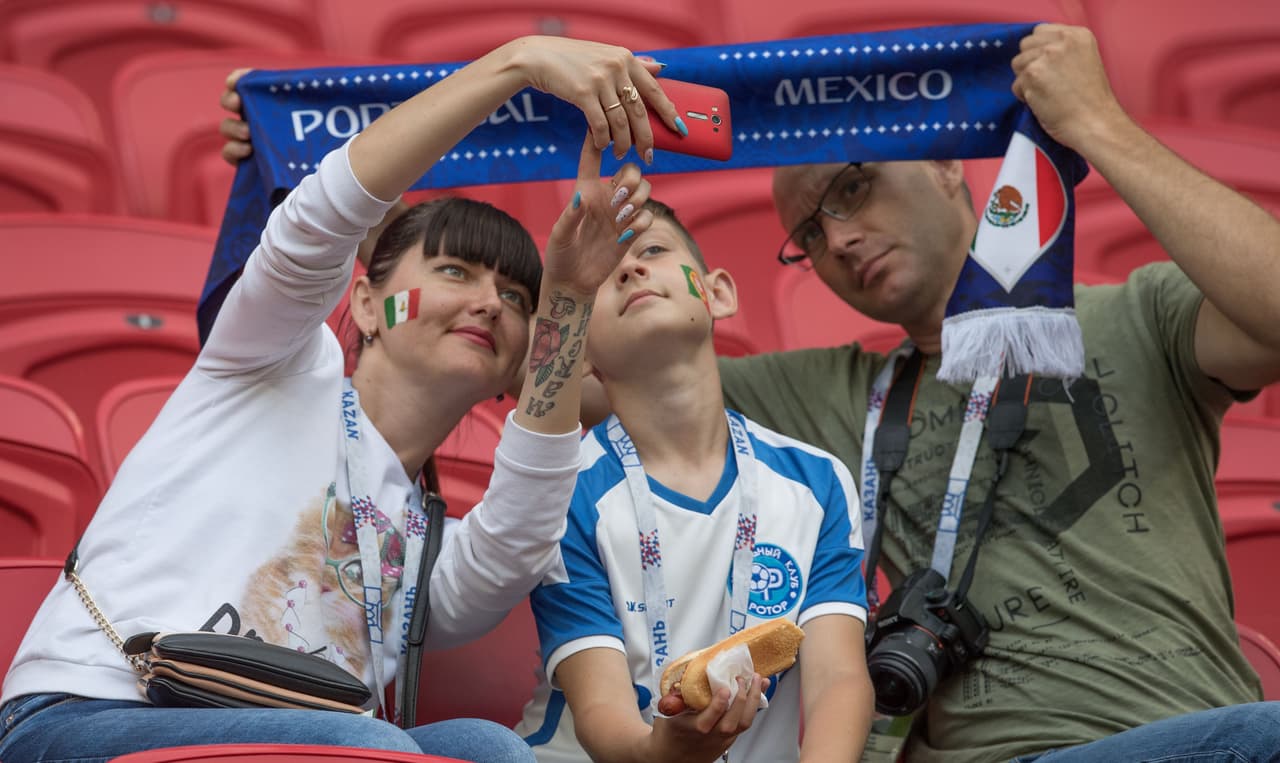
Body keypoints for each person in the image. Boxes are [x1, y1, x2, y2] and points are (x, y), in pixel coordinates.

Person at [0, 35, 676, 763]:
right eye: (455, 270)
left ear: (516, 364)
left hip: (316, 743)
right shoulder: (276, 359)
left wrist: (569, 294)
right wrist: (517, 63)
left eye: (515, 296)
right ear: (363, 304)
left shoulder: (431, 551)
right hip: (88, 710)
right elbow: (321, 217)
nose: (489, 301)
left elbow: (524, 526)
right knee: (365, 744)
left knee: (488, 749)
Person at [715, 23, 1280, 762]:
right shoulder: (832, 393)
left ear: (945, 162)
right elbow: (608, 388)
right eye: (810, 236)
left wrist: (1095, 123)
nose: (840, 240)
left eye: (853, 188)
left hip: (1199, 734)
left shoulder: (1137, 316)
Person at [513, 200, 874, 763]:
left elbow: (839, 680)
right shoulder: (561, 493)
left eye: (653, 249)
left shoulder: (817, 480)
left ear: (718, 293)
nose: (631, 269)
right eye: (602, 275)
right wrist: (665, 752)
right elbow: (602, 712)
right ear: (577, 350)